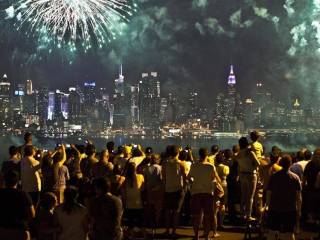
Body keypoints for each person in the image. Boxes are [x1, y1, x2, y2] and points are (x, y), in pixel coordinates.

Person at [266, 154, 302, 240]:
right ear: (290, 164)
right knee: (289, 233)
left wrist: (267, 206)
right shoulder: (295, 178)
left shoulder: (273, 177)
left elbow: (269, 193)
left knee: (272, 232)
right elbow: (299, 197)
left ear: (281, 164)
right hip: (290, 209)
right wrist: (299, 210)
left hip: (274, 208)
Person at [188, 148, 219, 240]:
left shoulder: (194, 166)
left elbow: (188, 177)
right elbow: (216, 179)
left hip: (196, 193)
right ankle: (206, 237)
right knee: (207, 216)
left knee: (196, 216)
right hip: (208, 193)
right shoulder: (210, 166)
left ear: (199, 154)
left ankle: (196, 236)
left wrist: (192, 183)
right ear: (207, 155)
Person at [0, 170, 35, 240]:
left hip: (2, 230)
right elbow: (32, 214)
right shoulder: (23, 194)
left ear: (4, 181)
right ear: (18, 181)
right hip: (20, 230)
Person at [162, 145, 186, 237]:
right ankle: (173, 232)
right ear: (178, 153)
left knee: (167, 211)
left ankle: (167, 230)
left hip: (168, 189)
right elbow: (184, 178)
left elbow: (163, 178)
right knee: (176, 212)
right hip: (178, 190)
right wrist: (183, 189)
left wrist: (164, 189)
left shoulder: (164, 163)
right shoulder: (181, 164)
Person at [236, 137, 260, 220]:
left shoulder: (239, 154)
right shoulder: (250, 153)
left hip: (242, 175)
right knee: (250, 196)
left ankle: (242, 213)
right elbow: (258, 163)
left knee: (243, 195)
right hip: (251, 175)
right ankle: (249, 215)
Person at [121, 162, 145, 238]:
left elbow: (123, 193)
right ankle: (145, 236)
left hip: (129, 204)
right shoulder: (140, 177)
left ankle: (131, 236)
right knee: (141, 223)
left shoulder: (124, 179)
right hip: (138, 203)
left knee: (130, 224)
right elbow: (143, 189)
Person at [143, 153, 163, 233]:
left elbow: (145, 179)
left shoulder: (147, 168)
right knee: (158, 207)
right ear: (157, 160)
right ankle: (157, 222)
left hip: (149, 189)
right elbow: (161, 179)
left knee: (150, 206)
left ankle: (150, 221)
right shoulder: (160, 168)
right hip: (158, 189)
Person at [302, 148, 320, 223]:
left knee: (310, 206)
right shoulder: (310, 164)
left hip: (310, 189)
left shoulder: (309, 164)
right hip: (317, 190)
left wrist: (303, 188)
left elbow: (304, 178)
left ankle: (310, 219)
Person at [215, 151, 230, 229]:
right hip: (224, 186)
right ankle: (221, 223)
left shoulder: (214, 167)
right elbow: (227, 174)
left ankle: (215, 222)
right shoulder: (225, 167)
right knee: (223, 205)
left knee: (216, 204)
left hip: (216, 186)